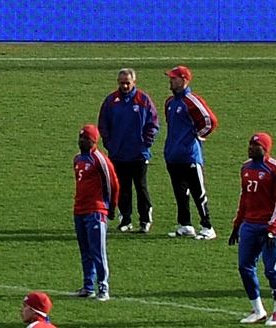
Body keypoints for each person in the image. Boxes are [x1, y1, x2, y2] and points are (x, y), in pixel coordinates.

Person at [231, 131, 276, 326]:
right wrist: (237, 224)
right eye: (249, 144)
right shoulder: (245, 168)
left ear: (265, 149)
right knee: (244, 267)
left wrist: (273, 227)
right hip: (249, 225)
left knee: (272, 269)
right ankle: (258, 310)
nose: (250, 148)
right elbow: (244, 198)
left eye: (255, 145)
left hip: (269, 226)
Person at [96, 68, 159, 234]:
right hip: (118, 154)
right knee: (122, 188)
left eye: (127, 83)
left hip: (139, 154)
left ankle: (145, 220)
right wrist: (110, 144)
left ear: (134, 82)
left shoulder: (143, 100)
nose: (124, 86)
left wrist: (146, 143)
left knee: (141, 187)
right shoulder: (111, 101)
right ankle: (125, 219)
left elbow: (153, 123)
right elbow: (103, 124)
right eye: (122, 83)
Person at [163, 65, 220, 239]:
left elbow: (210, 121)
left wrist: (198, 136)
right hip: (173, 156)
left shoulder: (191, 100)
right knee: (180, 192)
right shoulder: (170, 102)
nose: (171, 81)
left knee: (198, 191)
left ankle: (207, 226)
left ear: (184, 80)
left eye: (174, 78)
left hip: (189, 156)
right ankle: (185, 224)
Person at [69, 124, 115, 302]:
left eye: (85, 139)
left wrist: (109, 207)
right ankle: (88, 286)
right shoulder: (77, 159)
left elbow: (112, 184)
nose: (81, 141)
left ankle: (103, 288)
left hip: (96, 211)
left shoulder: (99, 159)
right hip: (79, 210)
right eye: (80, 138)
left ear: (93, 141)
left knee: (98, 251)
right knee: (85, 250)